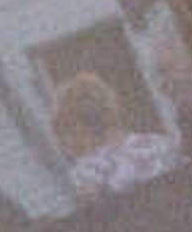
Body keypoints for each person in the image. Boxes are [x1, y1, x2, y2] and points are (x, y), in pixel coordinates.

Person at [48, 70, 183, 200]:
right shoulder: (162, 143)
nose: (61, 143)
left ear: (76, 126)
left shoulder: (86, 174)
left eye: (62, 130)